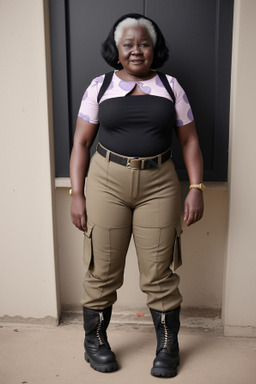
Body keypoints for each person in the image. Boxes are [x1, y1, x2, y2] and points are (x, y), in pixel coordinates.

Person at [70, 13, 204, 378]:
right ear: (116, 51)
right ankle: (94, 342)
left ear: (154, 49)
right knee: (103, 270)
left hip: (159, 183)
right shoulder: (99, 86)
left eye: (144, 43)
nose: (136, 50)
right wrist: (77, 193)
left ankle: (167, 347)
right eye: (128, 44)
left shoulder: (171, 86)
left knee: (159, 274)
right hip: (105, 182)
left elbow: (189, 140)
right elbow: (82, 143)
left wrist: (195, 187)